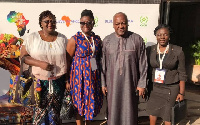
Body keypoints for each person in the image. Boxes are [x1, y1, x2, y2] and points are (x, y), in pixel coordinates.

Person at [20, 10, 68, 125]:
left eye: (52, 21)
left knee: (55, 115)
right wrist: (40, 64)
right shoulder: (33, 38)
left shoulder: (63, 39)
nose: (50, 23)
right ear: (41, 23)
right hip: (39, 83)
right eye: (46, 21)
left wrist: (67, 80)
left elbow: (68, 59)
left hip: (58, 83)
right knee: (39, 114)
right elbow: (23, 58)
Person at [101, 12, 148, 125]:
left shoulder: (137, 39)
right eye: (117, 24)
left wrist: (142, 84)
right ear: (113, 25)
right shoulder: (107, 41)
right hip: (112, 84)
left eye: (123, 23)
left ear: (127, 24)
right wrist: (103, 83)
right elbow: (102, 64)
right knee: (113, 110)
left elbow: (143, 63)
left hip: (131, 84)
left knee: (130, 110)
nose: (121, 26)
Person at [66, 9, 103, 125]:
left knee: (90, 101)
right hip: (78, 77)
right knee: (79, 101)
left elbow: (99, 57)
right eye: (82, 23)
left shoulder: (97, 39)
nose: (85, 25)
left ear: (93, 23)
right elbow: (67, 60)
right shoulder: (74, 39)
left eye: (88, 22)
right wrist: (67, 80)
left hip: (93, 76)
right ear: (80, 24)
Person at [146, 24, 187, 125]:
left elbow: (182, 73)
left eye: (165, 35)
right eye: (159, 35)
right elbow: (145, 69)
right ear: (156, 36)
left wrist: (181, 93)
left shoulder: (178, 51)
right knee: (153, 112)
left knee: (168, 115)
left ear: (169, 36)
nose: (162, 37)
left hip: (171, 88)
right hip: (154, 87)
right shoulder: (150, 50)